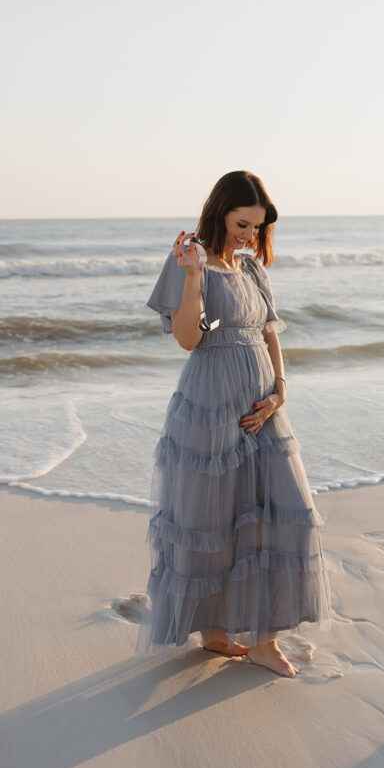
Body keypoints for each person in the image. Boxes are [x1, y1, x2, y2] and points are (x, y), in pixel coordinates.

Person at [138, 170, 330, 677]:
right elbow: (188, 339)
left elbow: (269, 332)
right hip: (210, 403)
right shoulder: (189, 260)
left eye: (257, 226)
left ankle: (264, 640)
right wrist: (195, 278)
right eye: (242, 223)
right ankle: (216, 632)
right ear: (220, 211)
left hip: (261, 407)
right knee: (212, 521)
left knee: (283, 512)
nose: (249, 234)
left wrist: (281, 390)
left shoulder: (250, 268)